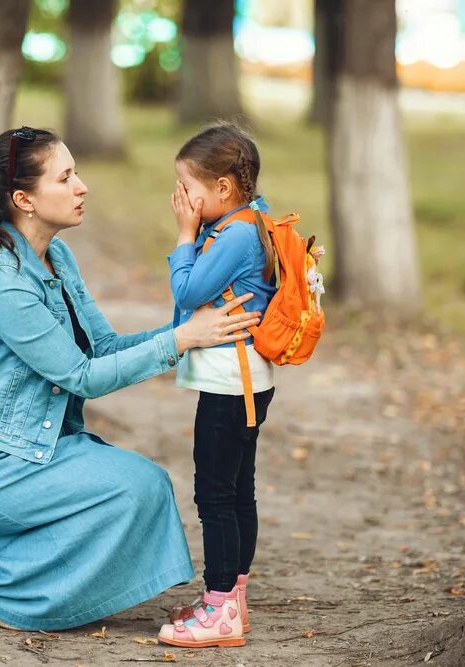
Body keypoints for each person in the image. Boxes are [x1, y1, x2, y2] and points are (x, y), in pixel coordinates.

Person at [0, 126, 263, 632]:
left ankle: (6, 571)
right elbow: (81, 375)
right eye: (66, 177)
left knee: (142, 487)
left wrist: (191, 328)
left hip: (34, 447)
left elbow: (102, 347)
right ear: (23, 200)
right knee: (132, 489)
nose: (82, 186)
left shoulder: (56, 256)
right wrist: (184, 340)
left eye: (76, 173)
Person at [158, 122, 299, 648]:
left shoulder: (235, 232)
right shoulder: (252, 219)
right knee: (239, 493)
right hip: (248, 381)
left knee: (215, 496)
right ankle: (230, 601)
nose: (181, 200)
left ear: (223, 188)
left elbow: (188, 290)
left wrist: (184, 236)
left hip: (227, 384)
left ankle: (218, 611)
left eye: (187, 189)